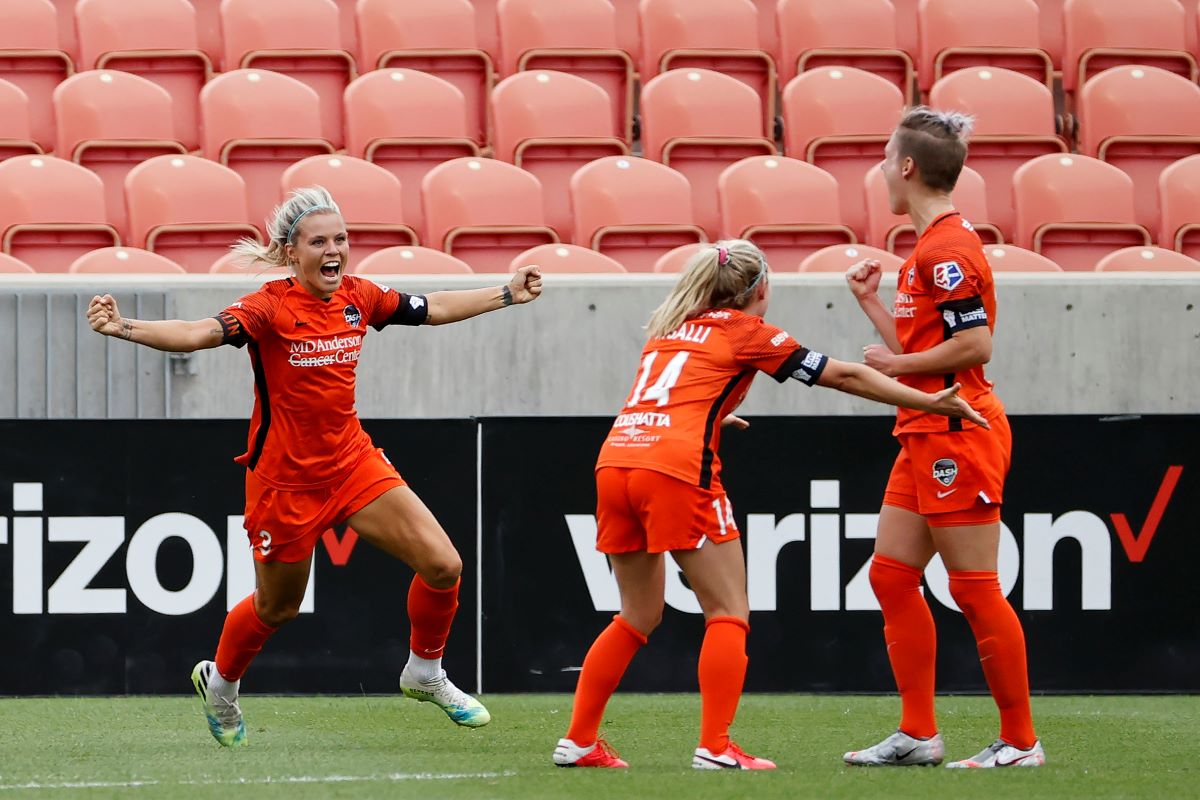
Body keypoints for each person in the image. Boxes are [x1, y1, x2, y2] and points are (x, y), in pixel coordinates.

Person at [85, 187, 543, 747]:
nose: (335, 250)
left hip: (352, 464)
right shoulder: (269, 306)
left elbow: (431, 308)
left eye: (341, 239)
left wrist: (506, 293)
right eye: (320, 241)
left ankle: (424, 672)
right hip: (285, 485)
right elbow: (201, 334)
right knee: (278, 608)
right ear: (290, 253)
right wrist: (122, 328)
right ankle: (222, 686)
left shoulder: (360, 296)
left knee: (444, 565)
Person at [553, 238, 991, 771]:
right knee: (728, 612)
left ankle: (578, 740)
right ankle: (715, 747)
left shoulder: (669, 332)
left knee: (636, 615)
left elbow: (673, 398)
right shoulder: (745, 331)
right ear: (759, 289)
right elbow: (844, 375)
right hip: (675, 469)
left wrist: (714, 420)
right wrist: (929, 399)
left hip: (616, 461)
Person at [841, 107, 1044, 769]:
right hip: (924, 429)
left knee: (974, 586)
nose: (879, 174)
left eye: (883, 161)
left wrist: (898, 368)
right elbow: (933, 345)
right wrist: (874, 307)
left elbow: (974, 345)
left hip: (958, 431)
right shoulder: (926, 248)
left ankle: (1020, 742)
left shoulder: (950, 248)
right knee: (892, 575)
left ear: (906, 168)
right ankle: (918, 733)